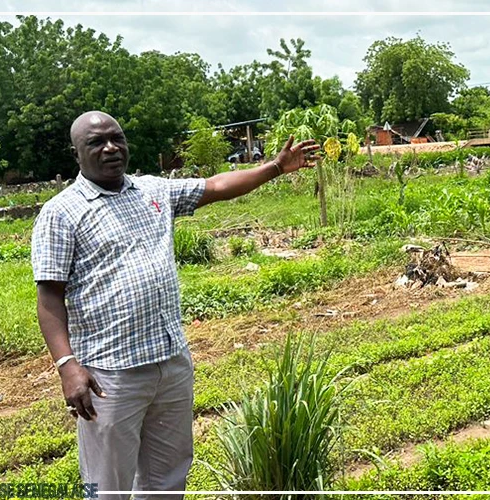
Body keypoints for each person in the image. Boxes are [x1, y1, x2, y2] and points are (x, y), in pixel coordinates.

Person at [31, 111, 318, 499]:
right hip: (109, 374)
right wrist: (67, 366)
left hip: (170, 362)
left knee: (167, 480)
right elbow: (49, 296)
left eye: (116, 138)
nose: (111, 147)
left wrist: (276, 168)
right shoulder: (61, 213)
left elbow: (216, 186)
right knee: (108, 485)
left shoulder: (153, 191)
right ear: (76, 153)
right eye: (96, 142)